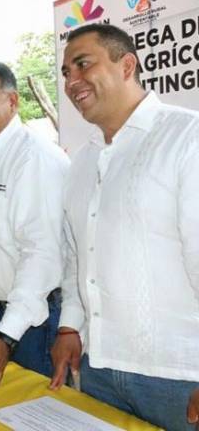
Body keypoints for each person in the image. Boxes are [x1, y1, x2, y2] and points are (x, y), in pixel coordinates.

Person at [49, 23, 199, 431]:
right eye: (66, 72)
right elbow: (78, 257)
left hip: (179, 375)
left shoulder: (187, 137)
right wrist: (69, 326)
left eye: (83, 64)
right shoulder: (82, 162)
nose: (72, 81)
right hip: (98, 366)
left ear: (127, 65)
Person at [0, 59, 69, 400]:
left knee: (34, 413)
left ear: (13, 101)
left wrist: (6, 335)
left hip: (31, 322)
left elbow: (42, 254)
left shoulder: (34, 158)